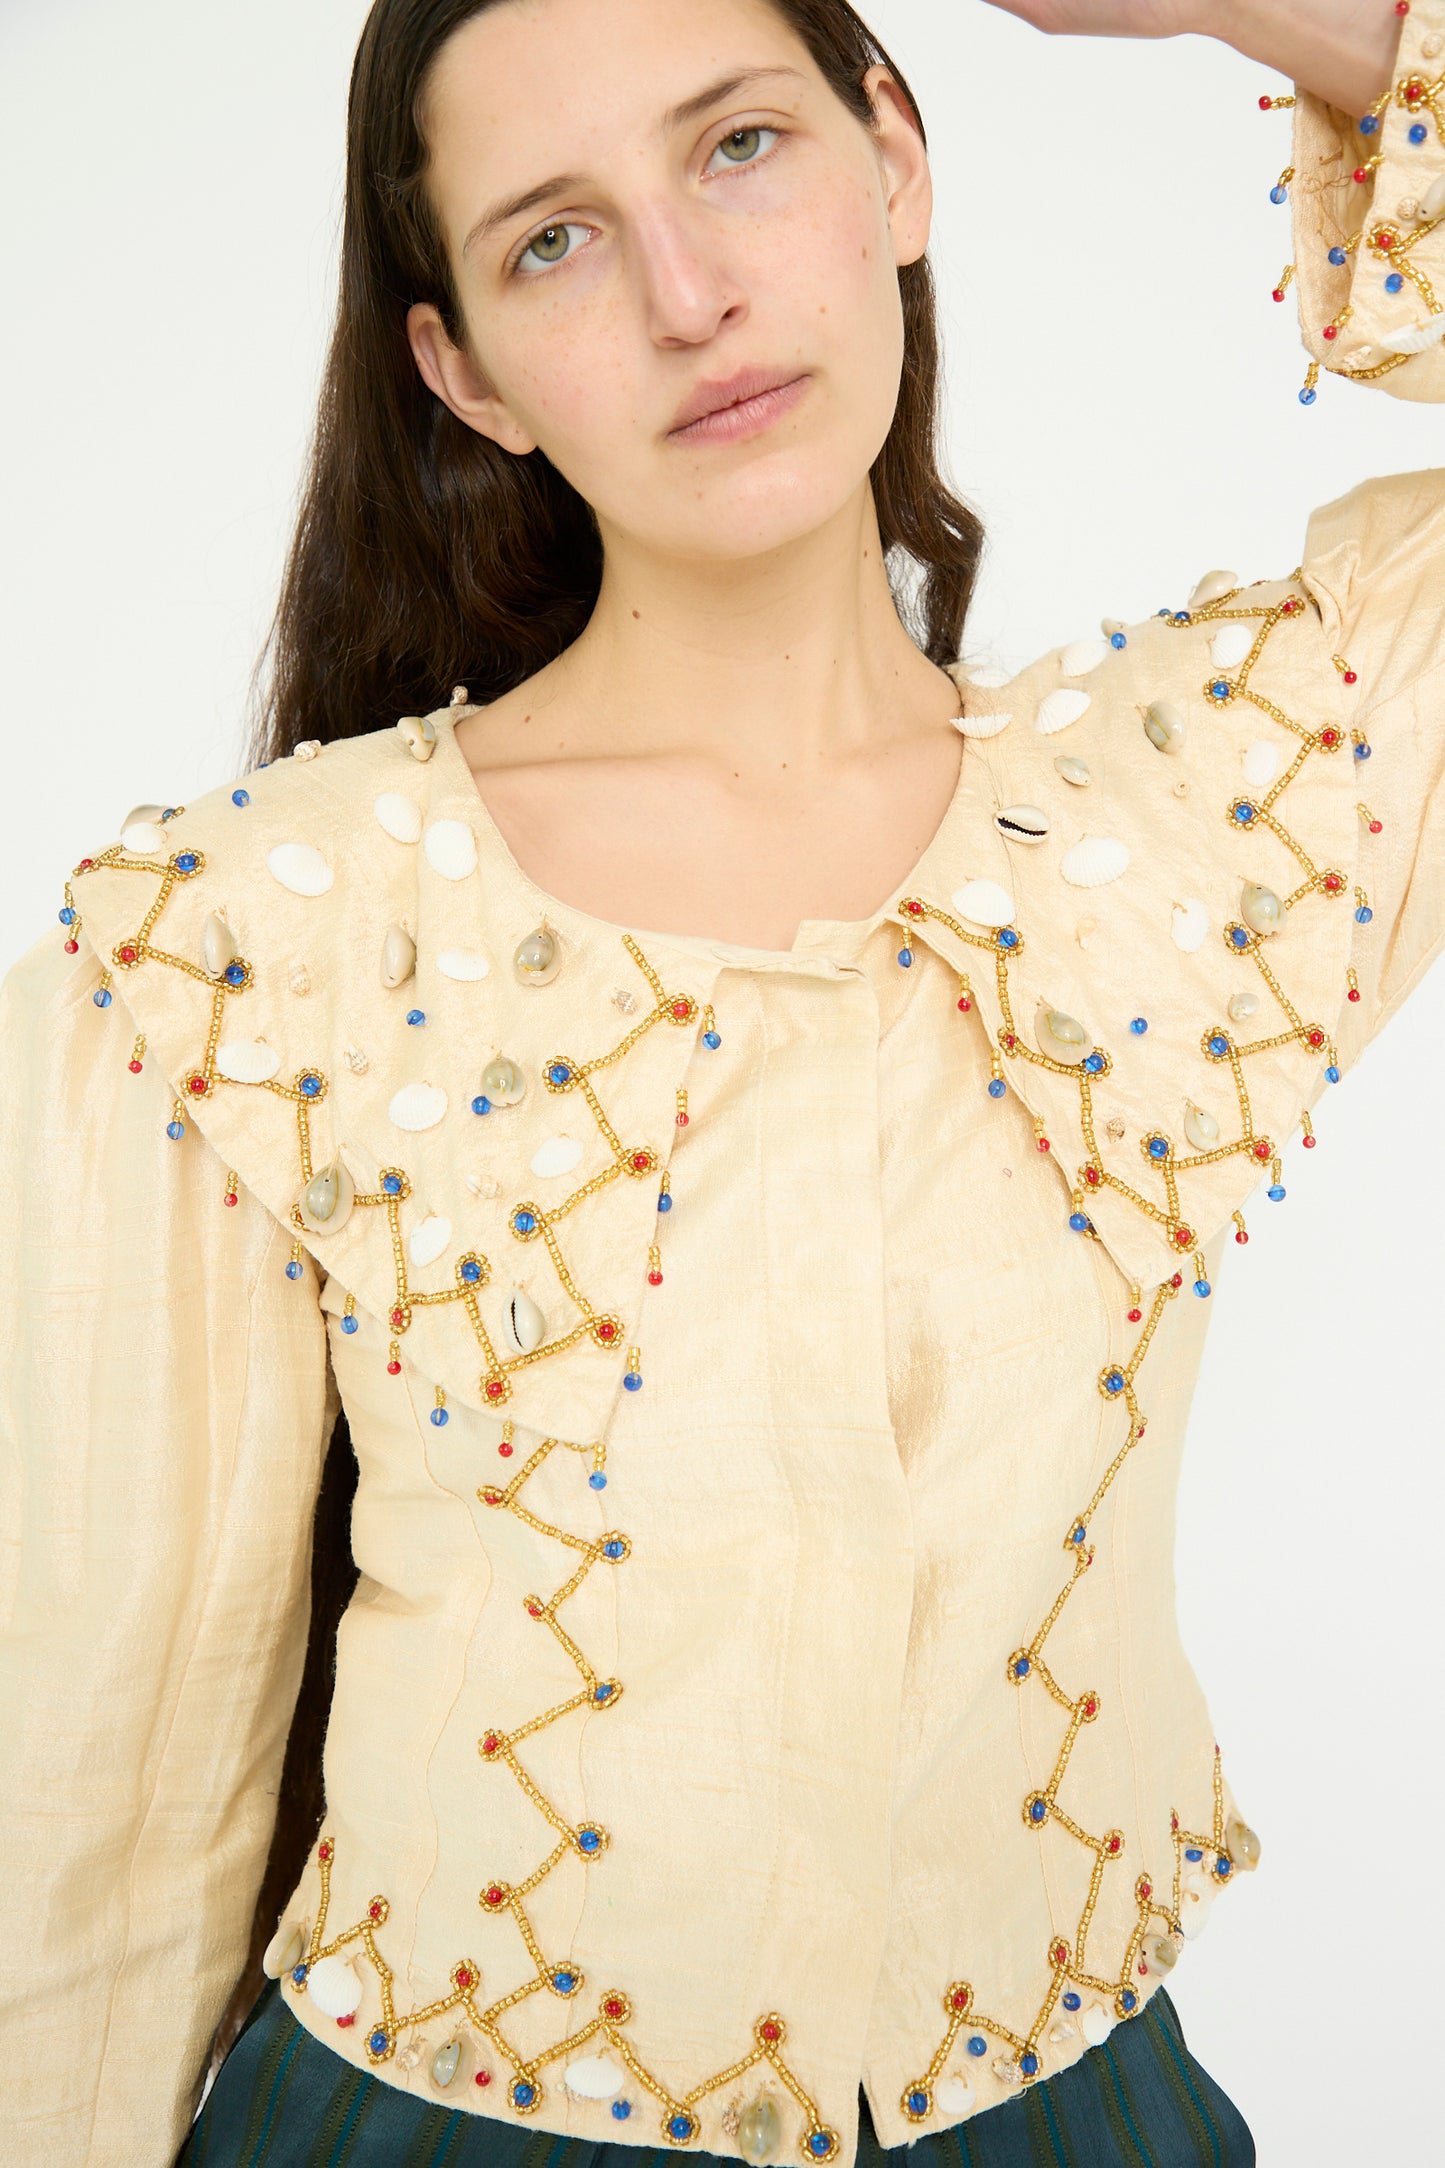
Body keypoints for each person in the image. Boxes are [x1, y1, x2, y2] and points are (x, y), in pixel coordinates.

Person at [2, 0, 1441, 2163]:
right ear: (463, 368)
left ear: (898, 159)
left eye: (743, 149)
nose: (692, 294)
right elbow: (84, 1828)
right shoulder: (236, 945)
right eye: (555, 242)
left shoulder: (1223, 811)